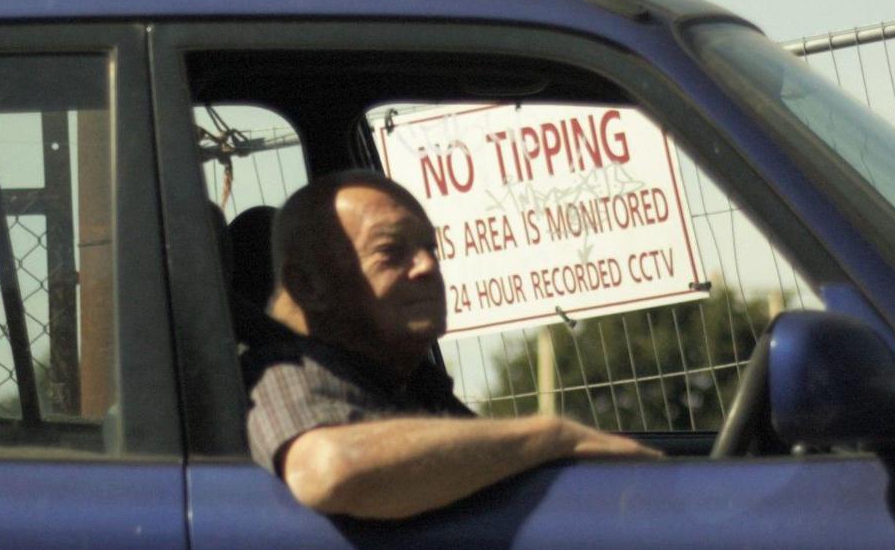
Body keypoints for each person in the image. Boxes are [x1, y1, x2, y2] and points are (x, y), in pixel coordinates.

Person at [246, 167, 653, 518]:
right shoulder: (285, 371)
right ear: (309, 286)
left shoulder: (407, 378)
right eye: (391, 251)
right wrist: (554, 437)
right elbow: (330, 471)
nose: (428, 266)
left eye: (430, 248)